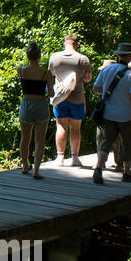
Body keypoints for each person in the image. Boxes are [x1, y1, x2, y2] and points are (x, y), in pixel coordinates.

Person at [92, 43, 131, 184]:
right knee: (127, 142)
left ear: (118, 55)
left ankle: (98, 169)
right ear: (130, 56)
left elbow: (96, 88)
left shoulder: (107, 70)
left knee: (107, 141)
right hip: (126, 115)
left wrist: (107, 95)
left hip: (108, 113)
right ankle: (127, 173)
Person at [48, 33, 93, 167]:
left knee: (61, 126)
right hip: (77, 98)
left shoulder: (54, 57)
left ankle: (60, 158)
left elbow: (50, 75)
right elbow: (88, 78)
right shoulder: (83, 59)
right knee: (75, 128)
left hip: (60, 98)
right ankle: (74, 158)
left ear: (64, 44)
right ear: (76, 45)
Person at [17, 42, 53, 180]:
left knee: (25, 138)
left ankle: (25, 165)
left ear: (27, 56)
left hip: (26, 104)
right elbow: (50, 94)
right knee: (39, 140)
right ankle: (36, 170)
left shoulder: (21, 70)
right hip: (40, 105)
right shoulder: (46, 73)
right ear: (40, 56)